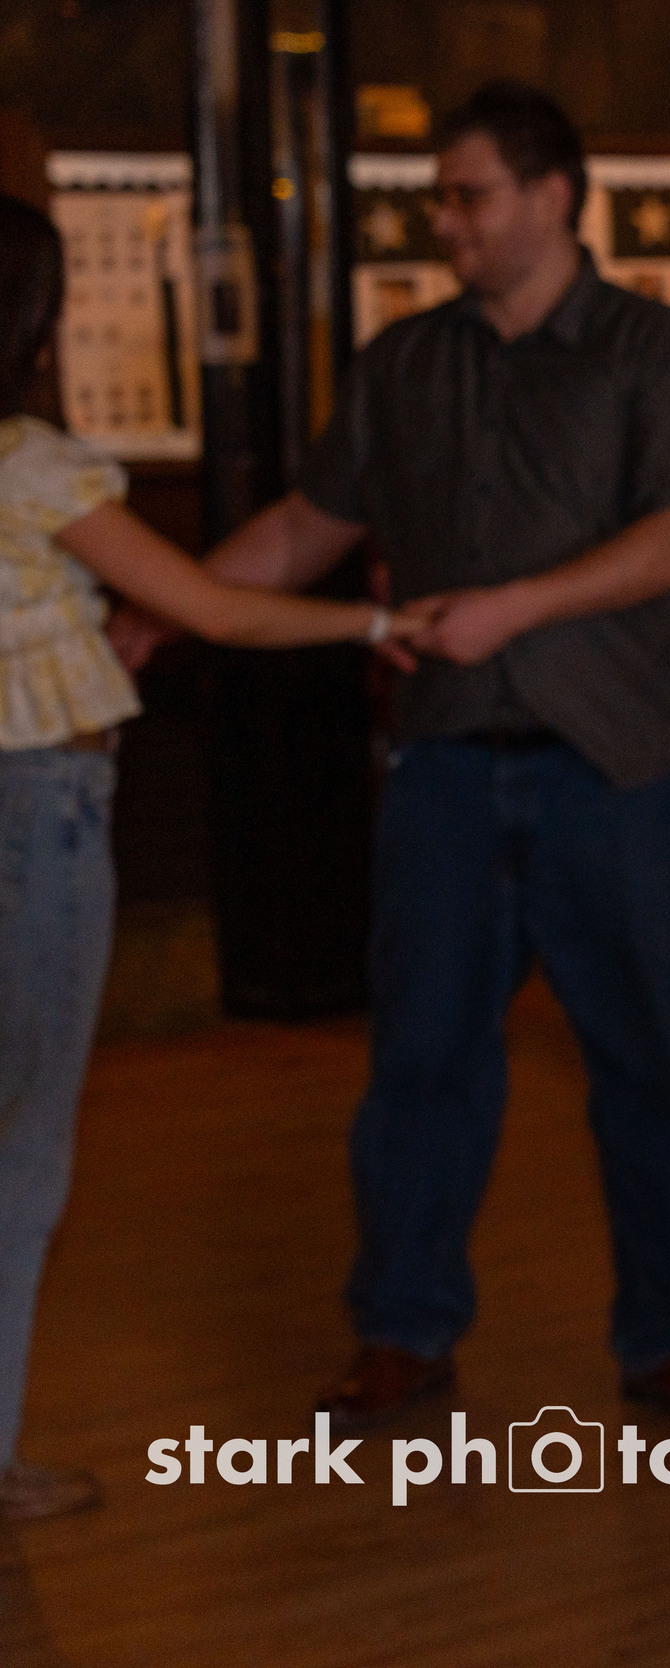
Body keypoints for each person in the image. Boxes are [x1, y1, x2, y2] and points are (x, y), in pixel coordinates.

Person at [186, 83, 670, 1432]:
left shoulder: (654, 350)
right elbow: (304, 529)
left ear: (552, 195)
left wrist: (513, 606)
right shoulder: (405, 363)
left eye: (467, 194)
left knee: (648, 1070)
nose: (444, 220)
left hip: (622, 771)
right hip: (446, 764)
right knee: (421, 1062)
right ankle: (401, 1333)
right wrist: (162, 609)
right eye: (438, 197)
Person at [0, 194, 428, 1521]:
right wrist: (372, 627)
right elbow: (213, 610)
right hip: (37, 810)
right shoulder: (29, 462)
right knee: (24, 1144)